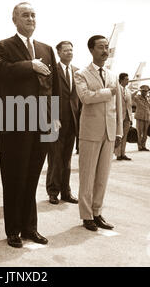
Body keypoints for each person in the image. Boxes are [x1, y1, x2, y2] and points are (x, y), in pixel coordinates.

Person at [0, 2, 59, 248]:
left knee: (32, 177)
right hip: (16, 121)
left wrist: (54, 118)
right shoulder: (4, 46)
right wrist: (30, 65)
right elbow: (2, 72)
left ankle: (30, 227)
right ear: (15, 20)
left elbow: (55, 89)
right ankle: (13, 229)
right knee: (14, 177)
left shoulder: (47, 48)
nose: (30, 18)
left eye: (33, 15)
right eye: (25, 15)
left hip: (42, 122)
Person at [74, 35, 123, 231]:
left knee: (103, 176)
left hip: (109, 132)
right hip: (90, 131)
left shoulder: (113, 75)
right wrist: (107, 93)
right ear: (91, 50)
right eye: (101, 47)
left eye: (107, 47)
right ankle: (86, 216)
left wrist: (119, 132)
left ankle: (97, 212)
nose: (105, 51)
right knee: (87, 176)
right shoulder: (81, 74)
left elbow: (118, 106)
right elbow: (85, 97)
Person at [46, 41, 79, 205]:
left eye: (71, 50)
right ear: (58, 53)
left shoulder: (77, 72)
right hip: (56, 121)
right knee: (55, 158)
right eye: (66, 50)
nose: (69, 53)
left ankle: (66, 192)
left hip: (72, 121)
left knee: (67, 159)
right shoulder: (53, 71)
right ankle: (53, 191)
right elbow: (48, 96)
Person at [114, 73, 134, 160]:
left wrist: (131, 118)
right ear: (121, 80)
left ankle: (123, 153)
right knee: (118, 136)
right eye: (126, 79)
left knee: (125, 136)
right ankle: (118, 154)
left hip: (127, 117)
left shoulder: (128, 91)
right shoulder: (116, 90)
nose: (128, 81)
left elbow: (129, 105)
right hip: (119, 116)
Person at [133, 85, 150, 151]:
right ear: (141, 91)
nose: (145, 92)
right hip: (140, 117)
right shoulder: (138, 98)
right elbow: (131, 97)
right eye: (144, 91)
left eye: (146, 91)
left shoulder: (148, 98)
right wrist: (136, 90)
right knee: (139, 133)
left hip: (147, 117)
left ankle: (144, 146)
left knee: (145, 133)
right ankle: (140, 146)